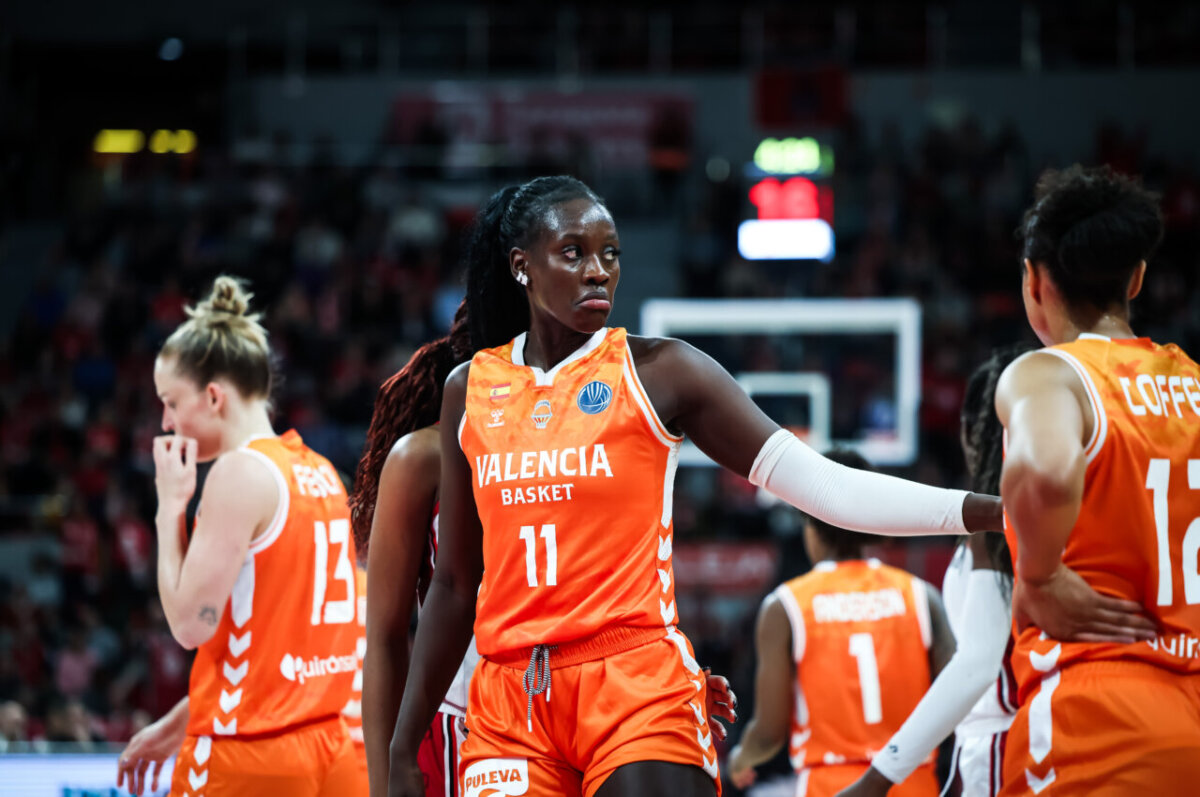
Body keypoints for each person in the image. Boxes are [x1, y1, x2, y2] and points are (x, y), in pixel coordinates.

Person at [387, 175, 1007, 797]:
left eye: (610, 253)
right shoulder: (470, 390)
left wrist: (991, 511)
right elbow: (454, 584)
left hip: (631, 680)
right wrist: (403, 745)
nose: (598, 270)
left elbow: (828, 488)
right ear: (522, 266)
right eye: (573, 252)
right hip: (512, 698)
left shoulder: (663, 371)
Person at [352, 301, 738, 797]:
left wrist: (666, 691)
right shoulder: (423, 457)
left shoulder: (591, 445)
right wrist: (386, 772)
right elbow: (387, 637)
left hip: (587, 707)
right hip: (467, 720)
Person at [116, 276, 361, 796]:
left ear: (211, 395)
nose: (165, 421)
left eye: (171, 402)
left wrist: (169, 508)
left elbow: (189, 625)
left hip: (246, 754)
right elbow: (270, 652)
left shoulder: (237, 475)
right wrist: (178, 722)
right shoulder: (321, 473)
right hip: (329, 749)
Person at [996, 165, 1195, 794]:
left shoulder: (1050, 374)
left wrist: (1040, 575)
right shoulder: (1192, 380)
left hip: (1096, 716)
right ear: (1137, 276)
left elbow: (1046, 469)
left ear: (1033, 280)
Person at [838, 347, 1028, 797]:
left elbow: (978, 663)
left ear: (969, 431)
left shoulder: (996, 528)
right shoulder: (1041, 512)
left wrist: (876, 778)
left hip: (1001, 744)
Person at [727, 449, 955, 797]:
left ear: (811, 527)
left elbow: (769, 734)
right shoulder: (922, 597)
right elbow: (957, 707)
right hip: (912, 781)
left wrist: (742, 758)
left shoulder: (786, 606)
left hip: (829, 785)